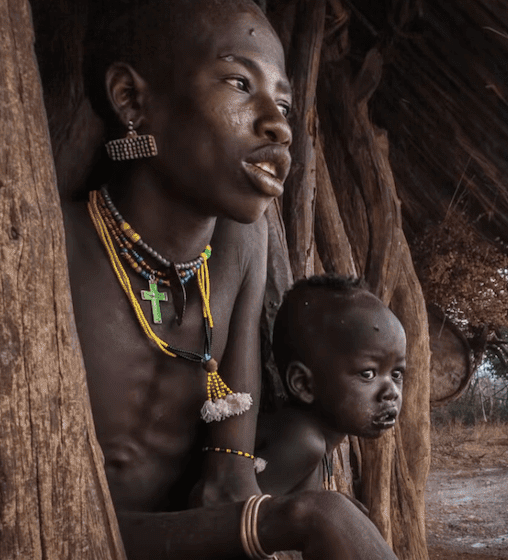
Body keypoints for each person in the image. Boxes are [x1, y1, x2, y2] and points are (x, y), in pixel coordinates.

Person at [63, 1, 397, 558]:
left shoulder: (242, 243)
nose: (278, 125)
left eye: (285, 103)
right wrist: (306, 518)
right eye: (241, 83)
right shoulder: (56, 247)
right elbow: (46, 515)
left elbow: (228, 482)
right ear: (131, 99)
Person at [254, 275, 405, 496]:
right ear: (304, 384)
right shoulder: (302, 441)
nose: (391, 392)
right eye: (368, 373)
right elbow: (230, 518)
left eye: (397, 373)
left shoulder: (318, 440)